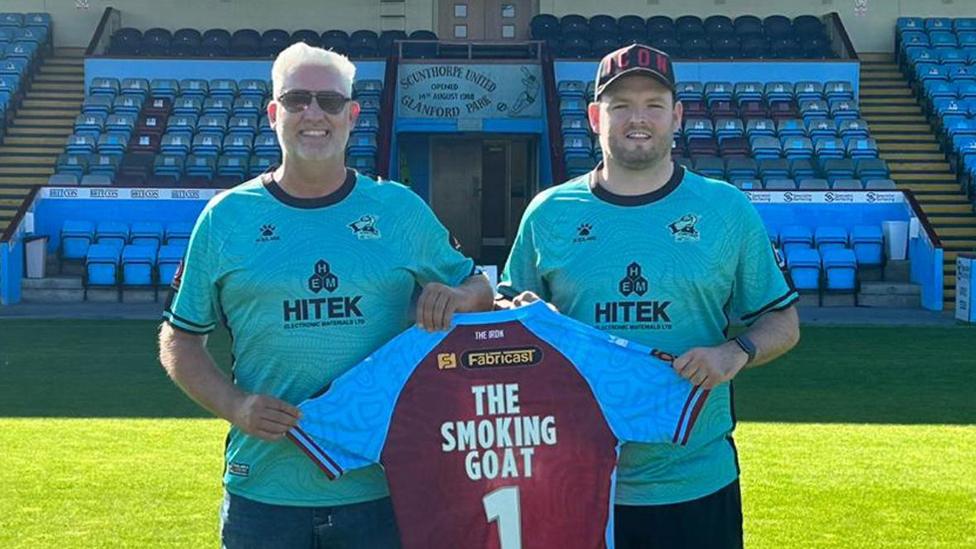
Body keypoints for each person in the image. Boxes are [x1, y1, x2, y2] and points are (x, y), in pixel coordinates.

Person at [157, 42, 493, 548]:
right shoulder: (226, 218)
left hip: (380, 487)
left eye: (330, 102)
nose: (313, 113)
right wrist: (236, 405)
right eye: (296, 99)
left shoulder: (397, 209)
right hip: (264, 491)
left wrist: (459, 298)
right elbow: (180, 339)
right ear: (274, 114)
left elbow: (481, 286)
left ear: (352, 115)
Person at [501, 44, 801, 549]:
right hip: (576, 480)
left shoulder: (726, 210)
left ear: (677, 116)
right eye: (620, 106)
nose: (637, 119)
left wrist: (732, 353)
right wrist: (520, 320)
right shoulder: (548, 212)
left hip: (695, 481)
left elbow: (783, 323)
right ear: (596, 116)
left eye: (653, 105)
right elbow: (511, 325)